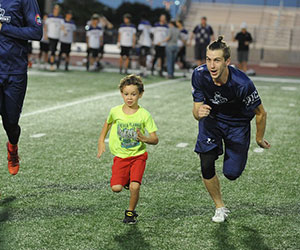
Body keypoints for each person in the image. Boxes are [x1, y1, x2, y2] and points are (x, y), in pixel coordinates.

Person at [191, 36, 270, 223]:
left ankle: (236, 158)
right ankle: (219, 206)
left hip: (237, 125)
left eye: (217, 60)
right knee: (206, 163)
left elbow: (261, 113)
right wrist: (198, 113)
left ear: (227, 61)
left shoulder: (243, 83)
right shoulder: (199, 74)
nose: (211, 65)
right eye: (208, 59)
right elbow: (196, 109)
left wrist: (259, 138)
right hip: (212, 121)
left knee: (231, 174)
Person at [97, 74, 159, 224]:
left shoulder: (144, 115)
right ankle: (125, 181)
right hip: (121, 156)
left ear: (140, 94)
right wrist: (101, 141)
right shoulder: (115, 111)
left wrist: (145, 139)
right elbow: (107, 123)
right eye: (126, 94)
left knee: (135, 186)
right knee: (116, 188)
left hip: (138, 156)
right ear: (121, 94)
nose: (129, 98)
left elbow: (155, 139)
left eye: (133, 94)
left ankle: (130, 213)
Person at [0, 0, 43, 175]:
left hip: (14, 72)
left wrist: (4, 28)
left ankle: (13, 148)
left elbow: (36, 32)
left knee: (10, 123)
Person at [45, 4, 63, 71]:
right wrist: (45, 34)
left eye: (57, 9)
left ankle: (51, 63)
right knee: (50, 50)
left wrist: (64, 31)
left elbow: (62, 25)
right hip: (50, 35)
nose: (56, 10)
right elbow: (46, 25)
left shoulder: (60, 18)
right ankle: (51, 64)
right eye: (55, 9)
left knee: (53, 50)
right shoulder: (50, 16)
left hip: (56, 36)